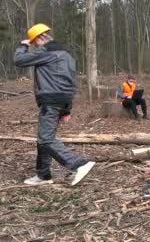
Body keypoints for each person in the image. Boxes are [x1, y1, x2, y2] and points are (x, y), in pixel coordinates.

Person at [14, 23, 95, 186]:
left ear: (40, 38)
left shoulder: (46, 52)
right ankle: (43, 175)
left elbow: (19, 60)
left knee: (45, 139)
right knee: (43, 137)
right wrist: (67, 109)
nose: (35, 46)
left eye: (34, 42)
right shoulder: (67, 55)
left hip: (50, 100)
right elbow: (71, 82)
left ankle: (79, 163)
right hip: (62, 100)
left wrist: (23, 46)